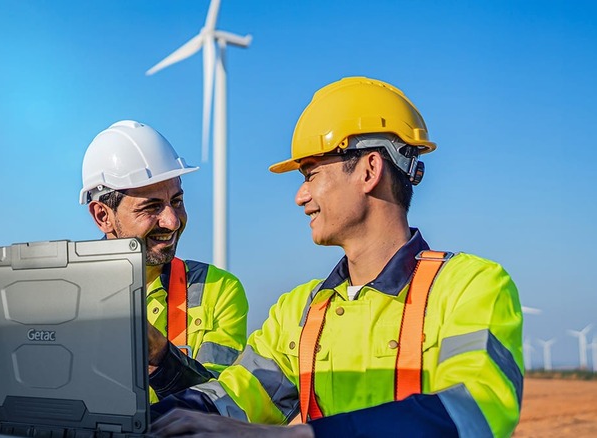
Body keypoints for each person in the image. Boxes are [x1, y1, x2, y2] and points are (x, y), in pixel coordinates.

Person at [150, 77, 524, 437]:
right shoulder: (300, 311)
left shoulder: (470, 287)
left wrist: (299, 436)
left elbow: (474, 409)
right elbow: (230, 397)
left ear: (369, 170)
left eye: (311, 174)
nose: (300, 196)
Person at [79, 120, 249, 402]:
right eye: (151, 207)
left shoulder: (218, 290)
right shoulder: (63, 297)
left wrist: (162, 357)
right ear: (102, 216)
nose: (171, 221)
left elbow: (221, 404)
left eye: (177, 201)